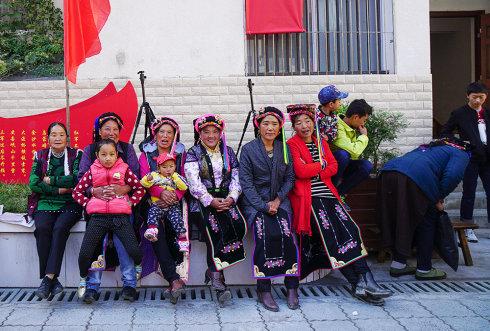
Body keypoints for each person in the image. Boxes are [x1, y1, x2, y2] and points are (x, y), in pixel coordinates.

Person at [287, 104, 390, 305]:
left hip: (329, 196)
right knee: (333, 236)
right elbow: (300, 172)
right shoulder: (292, 144)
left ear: (313, 122)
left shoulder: (321, 142)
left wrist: (315, 168)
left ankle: (363, 282)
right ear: (294, 126)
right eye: (298, 123)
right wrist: (321, 166)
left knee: (349, 231)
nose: (304, 126)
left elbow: (333, 167)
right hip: (310, 200)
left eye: (307, 121)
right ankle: (362, 281)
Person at [378, 138, 471, 280]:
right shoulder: (460, 153)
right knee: (427, 221)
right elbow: (452, 175)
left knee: (401, 218)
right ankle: (424, 269)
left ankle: (398, 265)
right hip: (415, 177)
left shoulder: (430, 147)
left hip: (388, 172)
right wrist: (438, 198)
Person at [239, 107, 299, 312]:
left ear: (280, 126)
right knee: (264, 235)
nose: (270, 128)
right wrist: (264, 205)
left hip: (280, 201)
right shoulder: (248, 150)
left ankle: (292, 287)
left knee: (287, 235)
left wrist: (278, 199)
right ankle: (264, 289)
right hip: (256, 204)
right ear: (258, 126)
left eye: (274, 124)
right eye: (266, 123)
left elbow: (290, 178)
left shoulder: (285, 149)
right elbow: (246, 184)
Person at [77, 112, 141, 303]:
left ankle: (129, 285)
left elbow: (136, 178)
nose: (111, 132)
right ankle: (92, 287)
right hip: (97, 210)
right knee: (97, 245)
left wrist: (125, 190)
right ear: (99, 131)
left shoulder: (127, 149)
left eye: (115, 129)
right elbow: (81, 178)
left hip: (120, 210)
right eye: (107, 128)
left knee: (124, 246)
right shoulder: (90, 150)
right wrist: (93, 192)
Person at [184, 114, 246, 306]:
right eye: (206, 131)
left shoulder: (228, 151)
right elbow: (193, 182)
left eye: (215, 131)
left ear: (221, 133)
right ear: (199, 133)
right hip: (202, 202)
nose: (211, 135)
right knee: (214, 234)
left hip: (226, 200)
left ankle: (213, 271)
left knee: (238, 227)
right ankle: (219, 282)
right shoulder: (193, 153)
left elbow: (237, 177)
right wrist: (210, 201)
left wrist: (232, 197)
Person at [29, 122, 83, 299]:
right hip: (45, 203)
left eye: (61, 134)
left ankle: (47, 278)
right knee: (42, 229)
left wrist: (50, 180)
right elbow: (34, 183)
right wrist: (58, 190)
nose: (58, 138)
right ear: (48, 138)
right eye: (54, 134)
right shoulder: (41, 156)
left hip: (71, 203)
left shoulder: (76, 155)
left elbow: (76, 180)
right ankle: (52, 279)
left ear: (67, 137)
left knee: (60, 229)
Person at [139, 116, 188, 303]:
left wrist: (176, 196)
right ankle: (173, 278)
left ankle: (176, 278)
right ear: (155, 134)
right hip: (152, 201)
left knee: (175, 224)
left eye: (169, 132)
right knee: (156, 228)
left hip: (177, 199)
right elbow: (144, 179)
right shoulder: (145, 154)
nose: (165, 136)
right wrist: (160, 193)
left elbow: (186, 179)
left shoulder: (182, 154)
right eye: (161, 132)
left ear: (175, 135)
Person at [441, 82, 489, 243]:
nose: (477, 101)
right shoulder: (459, 113)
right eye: (474, 97)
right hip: (471, 157)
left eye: (481, 97)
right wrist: (462, 144)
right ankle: (467, 228)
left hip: (488, 158)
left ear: (485, 97)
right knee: (469, 192)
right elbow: (445, 132)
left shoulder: (487, 113)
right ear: (467, 96)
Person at [141, 152, 188, 251]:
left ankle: (182, 239)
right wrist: (148, 179)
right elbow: (143, 183)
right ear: (158, 168)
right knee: (152, 213)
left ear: (175, 166)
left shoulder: (176, 176)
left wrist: (175, 177)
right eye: (164, 167)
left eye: (171, 166)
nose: (168, 169)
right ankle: (153, 229)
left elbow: (184, 187)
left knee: (177, 220)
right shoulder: (154, 175)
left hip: (172, 205)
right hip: (158, 204)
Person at [331, 99, 374, 197]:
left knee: (366, 166)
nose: (364, 124)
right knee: (343, 155)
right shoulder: (337, 125)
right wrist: (364, 137)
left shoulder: (351, 126)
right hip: (331, 168)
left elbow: (354, 157)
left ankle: (338, 194)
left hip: (343, 167)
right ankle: (330, 190)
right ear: (355, 117)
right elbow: (354, 152)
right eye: (364, 120)